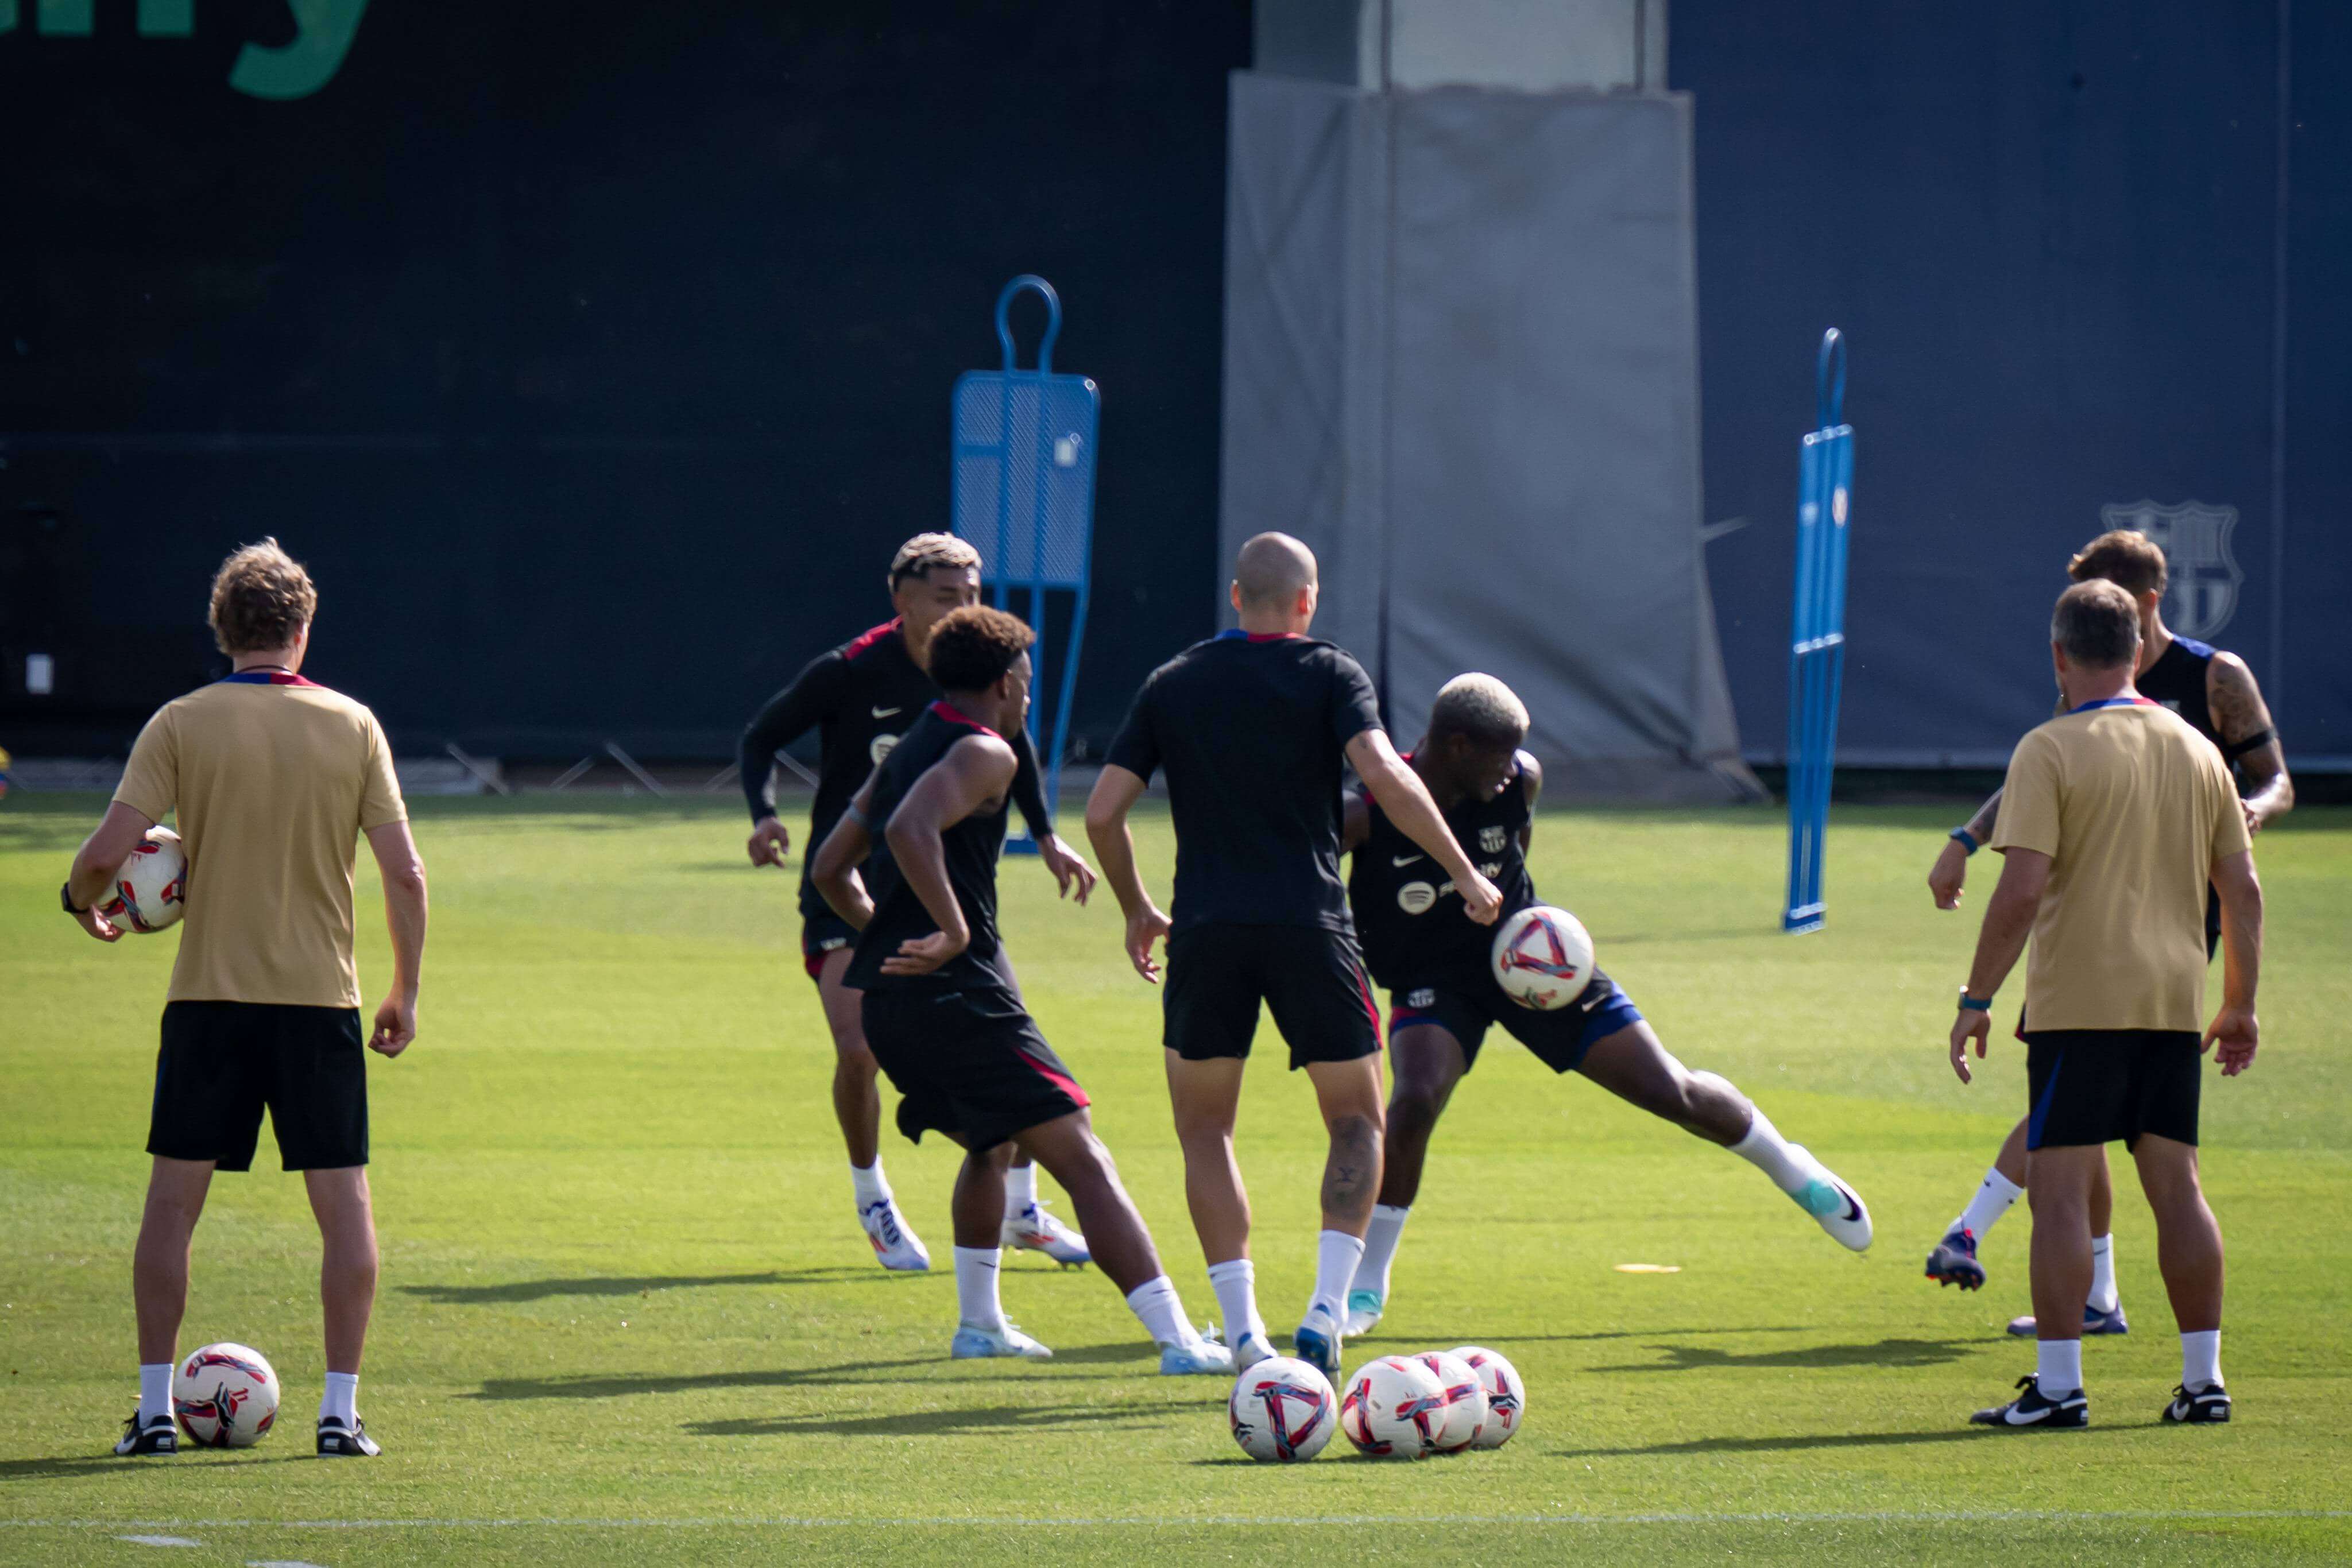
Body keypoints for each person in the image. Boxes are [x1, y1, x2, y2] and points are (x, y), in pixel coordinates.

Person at [1082, 532, 1501, 1379]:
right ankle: (1324, 1310)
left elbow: (1100, 814)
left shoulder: (1173, 682)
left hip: (1204, 931)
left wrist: (1136, 907)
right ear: (1307, 601)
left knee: (1205, 1129)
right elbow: (1384, 775)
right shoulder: (1332, 673)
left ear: (1236, 596)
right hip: (1311, 924)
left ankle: (1242, 1334)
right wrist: (1462, 870)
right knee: (1356, 1120)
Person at [1339, 674, 1873, 1334]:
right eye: (1499, 755)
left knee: (1668, 1088)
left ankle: (1794, 1169)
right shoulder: (1365, 810)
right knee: (1416, 1096)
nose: (1512, 770)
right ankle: (1368, 1279)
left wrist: (1538, 934)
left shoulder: (1521, 781)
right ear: (1455, 746)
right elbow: (1304, 878)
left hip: (1525, 961)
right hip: (1432, 979)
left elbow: (1514, 864)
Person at [67, 540, 428, 1459]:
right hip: (320, 1002)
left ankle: (155, 1412)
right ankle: (340, 1416)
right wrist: (404, 990)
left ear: (222, 630)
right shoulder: (354, 724)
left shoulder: (182, 721)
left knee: (172, 1206)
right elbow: (406, 875)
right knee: (344, 1206)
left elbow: (110, 853)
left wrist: (81, 901)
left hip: (209, 1002)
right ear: (303, 630)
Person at [810, 606, 1229, 1373]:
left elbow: (830, 867)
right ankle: (1179, 1340)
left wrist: (889, 937)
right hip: (958, 996)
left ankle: (980, 1324)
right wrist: (952, 933)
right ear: (1005, 684)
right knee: (1084, 1156)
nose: (1028, 698)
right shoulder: (985, 751)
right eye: (1027, 685)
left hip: (891, 1000)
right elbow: (911, 828)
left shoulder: (905, 747)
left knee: (994, 1141)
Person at [1924, 530, 2293, 1337]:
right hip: (2171, 973)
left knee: (2065, 1148)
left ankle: (2047, 1346)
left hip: (2097, 960)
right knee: (2169, 1176)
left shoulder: (2211, 680)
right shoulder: (2179, 743)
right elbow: (2243, 885)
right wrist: (2242, 1001)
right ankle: (2184, 1360)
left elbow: (2273, 780)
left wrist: (1975, 994)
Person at [737, 533, 1097, 1272]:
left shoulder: (977, 674)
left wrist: (1048, 834)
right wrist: (763, 813)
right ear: (901, 597)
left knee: (1016, 1047)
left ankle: (1023, 1211)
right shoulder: (850, 670)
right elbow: (761, 737)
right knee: (859, 1046)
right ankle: (873, 1196)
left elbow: (1017, 743)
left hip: (948, 896)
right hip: (848, 885)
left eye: (970, 593)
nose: (961, 607)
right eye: (945, 595)